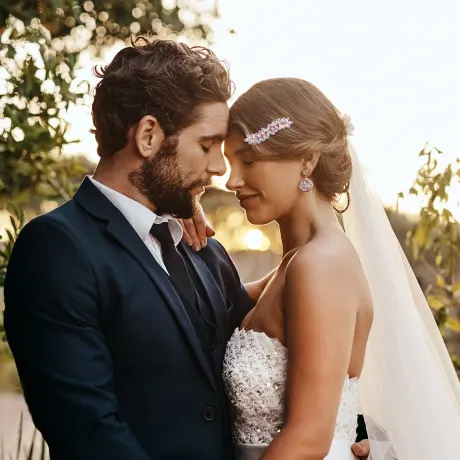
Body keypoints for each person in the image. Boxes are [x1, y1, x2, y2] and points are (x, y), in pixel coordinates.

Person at [4, 37, 272, 460]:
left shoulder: (203, 249)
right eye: (206, 145)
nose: (220, 167)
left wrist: (345, 436)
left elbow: (272, 354)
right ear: (149, 135)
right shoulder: (57, 249)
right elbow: (89, 434)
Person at [181, 77, 460, 459]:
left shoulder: (320, 266)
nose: (233, 180)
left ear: (307, 160)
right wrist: (171, 210)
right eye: (231, 163)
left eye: (248, 159)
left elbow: (309, 438)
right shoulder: (295, 265)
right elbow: (205, 311)